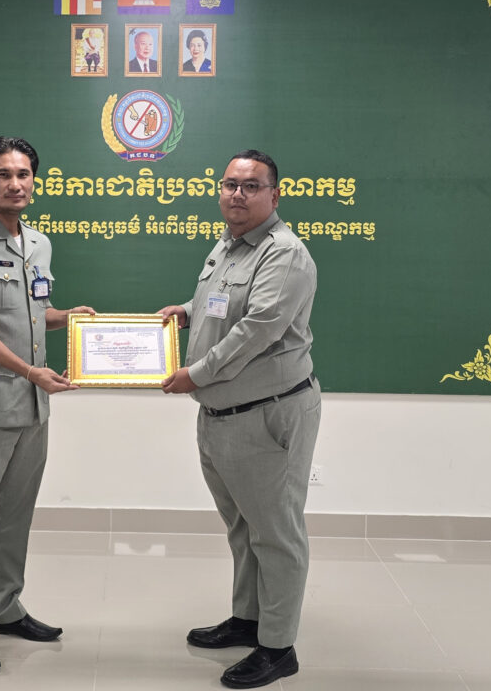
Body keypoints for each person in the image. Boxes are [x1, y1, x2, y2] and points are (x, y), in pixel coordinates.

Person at [157, 149, 320, 689]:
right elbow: (221, 305)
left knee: (276, 533)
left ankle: (278, 646)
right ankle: (249, 619)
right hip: (222, 415)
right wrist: (185, 312)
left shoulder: (284, 254)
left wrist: (196, 374)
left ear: (275, 194)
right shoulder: (229, 244)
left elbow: (258, 329)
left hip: (265, 414)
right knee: (243, 528)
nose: (237, 194)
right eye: (230, 184)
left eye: (251, 186)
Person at [0, 136, 95, 674]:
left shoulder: (38, 243)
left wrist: (67, 316)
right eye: (3, 174)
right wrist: (30, 371)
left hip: (33, 405)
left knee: (15, 514)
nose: (15, 184)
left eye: (23, 174)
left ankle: (5, 607)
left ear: (35, 181)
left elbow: (30, 314)